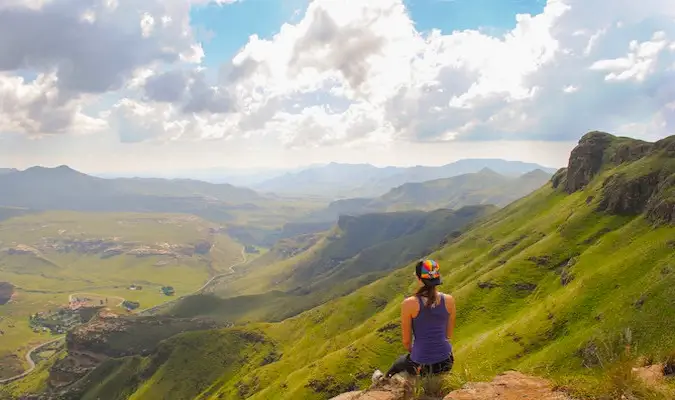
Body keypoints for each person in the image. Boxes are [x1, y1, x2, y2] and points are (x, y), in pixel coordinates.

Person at [384, 258, 456, 378]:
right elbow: (448, 334)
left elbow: (406, 342)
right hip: (446, 361)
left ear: (419, 279)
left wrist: (419, 352)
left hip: (421, 365)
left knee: (396, 367)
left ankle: (382, 384)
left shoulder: (409, 304)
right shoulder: (449, 300)